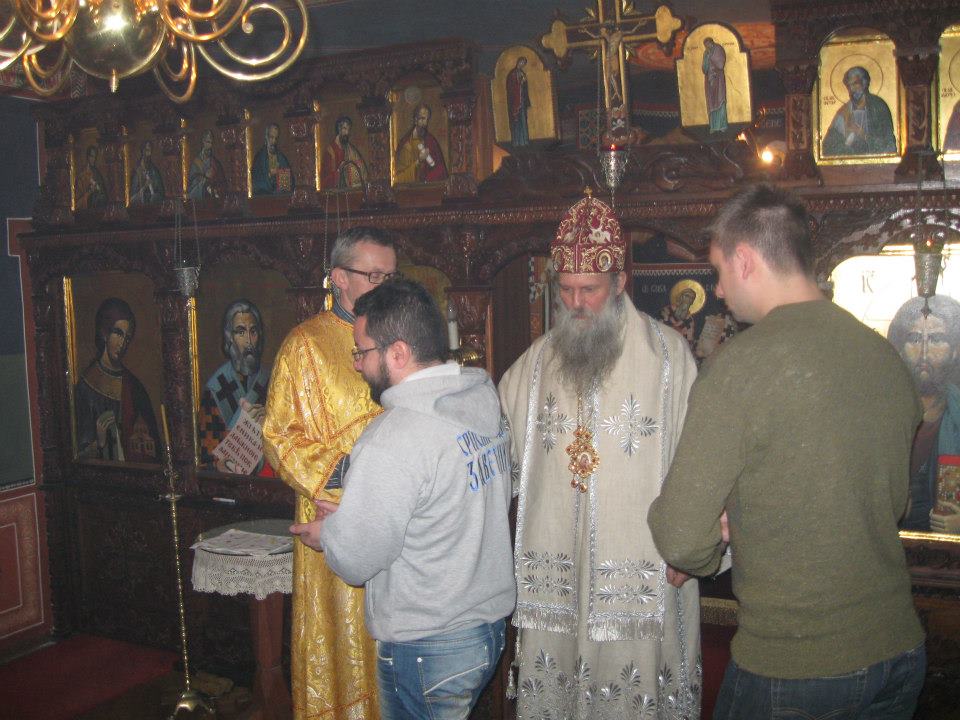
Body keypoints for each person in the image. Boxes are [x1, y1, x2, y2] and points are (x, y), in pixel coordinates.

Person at [649, 184, 925, 720]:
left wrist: (706, 548)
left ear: (745, 260)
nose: (719, 291)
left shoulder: (740, 365)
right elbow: (888, 501)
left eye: (719, 272)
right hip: (898, 650)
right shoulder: (883, 356)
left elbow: (681, 535)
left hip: (796, 663)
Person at [498, 193, 701, 719]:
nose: (576, 304)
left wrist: (693, 544)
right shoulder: (535, 364)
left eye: (588, 290)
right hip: (558, 580)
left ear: (619, 283)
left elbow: (701, 464)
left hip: (644, 574)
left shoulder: (668, 359)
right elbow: (495, 447)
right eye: (565, 290)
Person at [290, 278, 516, 720]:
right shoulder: (480, 399)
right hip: (485, 630)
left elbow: (355, 561)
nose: (357, 364)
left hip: (429, 645)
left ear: (397, 353)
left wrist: (329, 535)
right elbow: (447, 503)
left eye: (362, 351)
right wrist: (359, 513)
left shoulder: (393, 437)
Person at [263, 226, 401, 720]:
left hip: (397, 515)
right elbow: (280, 435)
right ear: (339, 278)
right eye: (373, 276)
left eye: (390, 276)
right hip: (333, 513)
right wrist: (347, 472)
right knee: (342, 648)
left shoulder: (399, 339)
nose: (384, 286)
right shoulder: (305, 346)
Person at [888, 294, 960, 533]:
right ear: (900, 348)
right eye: (915, 339)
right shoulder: (881, 412)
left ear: (955, 350)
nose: (925, 352)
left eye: (937, 339)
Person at [75, 297, 160, 463]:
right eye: (118, 333)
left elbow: (154, 451)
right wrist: (99, 442)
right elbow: (77, 453)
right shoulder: (85, 388)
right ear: (104, 333)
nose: (123, 343)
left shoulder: (135, 388)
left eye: (127, 338)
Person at [198, 299, 272, 475]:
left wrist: (268, 425)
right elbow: (206, 458)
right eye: (240, 332)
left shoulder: (272, 381)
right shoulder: (215, 389)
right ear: (229, 337)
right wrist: (222, 464)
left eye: (253, 331)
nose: (249, 341)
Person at [822, 66, 897, 156]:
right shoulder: (843, 112)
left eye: (855, 84)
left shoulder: (878, 107)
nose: (852, 89)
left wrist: (862, 134)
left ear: (865, 83)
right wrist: (847, 148)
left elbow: (889, 145)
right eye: (849, 86)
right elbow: (828, 147)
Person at [394, 104, 448, 184]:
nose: (425, 123)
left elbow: (441, 171)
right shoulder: (406, 144)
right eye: (422, 119)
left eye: (427, 119)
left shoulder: (431, 141)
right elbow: (398, 178)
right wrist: (418, 161)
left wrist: (429, 179)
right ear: (415, 120)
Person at [321, 115, 368, 190]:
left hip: (351, 192)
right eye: (345, 129)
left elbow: (362, 171)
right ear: (339, 129)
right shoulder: (330, 152)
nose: (347, 132)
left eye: (348, 130)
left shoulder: (351, 150)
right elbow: (325, 181)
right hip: (336, 193)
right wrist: (339, 170)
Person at [252, 122, 293, 195]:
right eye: (271, 137)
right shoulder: (259, 159)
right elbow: (256, 183)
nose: (274, 141)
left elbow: (287, 185)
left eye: (276, 138)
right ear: (266, 137)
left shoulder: (281, 158)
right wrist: (270, 174)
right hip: (264, 198)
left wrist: (281, 176)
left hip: (279, 198)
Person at [187, 129, 225, 201]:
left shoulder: (215, 163)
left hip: (213, 199)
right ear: (203, 142)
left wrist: (216, 189)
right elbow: (192, 186)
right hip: (199, 200)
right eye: (208, 142)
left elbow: (222, 183)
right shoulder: (196, 163)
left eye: (211, 143)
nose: (210, 145)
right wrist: (205, 177)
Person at [702, 38, 728, 133]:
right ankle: (713, 126)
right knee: (711, 103)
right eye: (705, 45)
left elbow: (720, 65)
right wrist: (707, 58)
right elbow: (704, 69)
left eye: (707, 44)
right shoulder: (706, 53)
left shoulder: (718, 49)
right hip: (709, 81)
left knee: (720, 100)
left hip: (718, 79)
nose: (706, 47)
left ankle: (722, 125)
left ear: (711, 42)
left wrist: (711, 57)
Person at [129, 139, 164, 205]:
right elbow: (132, 199)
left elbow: (161, 193)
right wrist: (145, 186)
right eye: (146, 150)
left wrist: (155, 197)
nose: (148, 154)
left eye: (150, 151)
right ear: (142, 151)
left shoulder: (154, 171)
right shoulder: (137, 172)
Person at [506, 56, 531, 146]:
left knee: (523, 120)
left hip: (522, 101)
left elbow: (525, 88)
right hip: (515, 102)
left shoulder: (522, 73)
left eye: (524, 64)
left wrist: (523, 83)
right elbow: (511, 87)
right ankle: (516, 142)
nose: (522, 65)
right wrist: (520, 82)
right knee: (516, 121)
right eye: (522, 62)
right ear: (518, 62)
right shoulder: (512, 74)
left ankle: (524, 141)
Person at [76, 145, 108, 209]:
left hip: (97, 198)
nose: (93, 159)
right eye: (92, 156)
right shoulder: (83, 172)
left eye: (95, 157)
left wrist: (98, 189)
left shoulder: (97, 172)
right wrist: (90, 191)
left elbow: (102, 188)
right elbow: (80, 191)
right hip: (87, 199)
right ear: (88, 157)